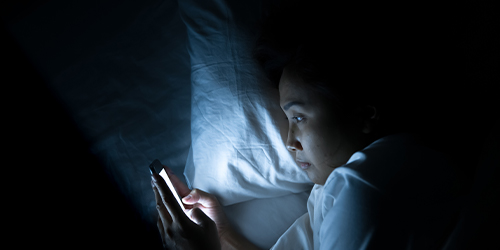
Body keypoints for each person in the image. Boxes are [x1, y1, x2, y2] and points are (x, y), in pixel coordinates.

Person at [150, 1, 465, 249]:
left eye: (298, 118)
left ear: (364, 114)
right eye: (288, 121)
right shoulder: (344, 184)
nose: (290, 142)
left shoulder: (363, 189)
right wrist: (222, 233)